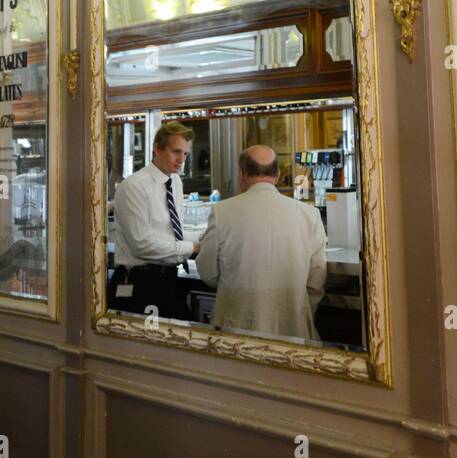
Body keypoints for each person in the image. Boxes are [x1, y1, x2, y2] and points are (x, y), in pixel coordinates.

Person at [196, 145, 327, 340]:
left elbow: (208, 273)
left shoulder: (222, 211)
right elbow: (316, 282)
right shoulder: (309, 214)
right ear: (278, 175)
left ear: (242, 174)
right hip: (293, 329)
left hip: (236, 330)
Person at [108, 122, 200, 319]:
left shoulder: (175, 181)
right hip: (138, 282)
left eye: (185, 154)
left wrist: (207, 237)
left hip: (167, 279)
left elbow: (172, 231)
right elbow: (143, 245)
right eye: (176, 152)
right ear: (157, 149)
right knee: (143, 345)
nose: (181, 160)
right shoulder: (134, 186)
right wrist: (191, 248)